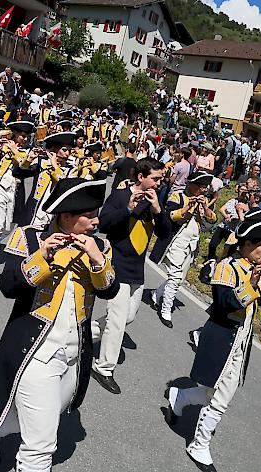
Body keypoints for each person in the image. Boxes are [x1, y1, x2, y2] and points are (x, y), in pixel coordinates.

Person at [0, 177, 119, 469]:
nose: (96, 221)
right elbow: (7, 285)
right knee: (42, 447)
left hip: (73, 354)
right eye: (90, 215)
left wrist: (95, 258)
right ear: (67, 217)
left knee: (35, 418)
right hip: (35, 353)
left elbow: (109, 290)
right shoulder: (29, 238)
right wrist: (42, 257)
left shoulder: (100, 246)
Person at [165, 212, 261, 471]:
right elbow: (224, 304)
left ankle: (181, 398)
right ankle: (199, 444)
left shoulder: (256, 270)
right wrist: (250, 285)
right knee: (218, 396)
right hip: (222, 335)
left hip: (241, 340)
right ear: (248, 245)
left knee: (215, 393)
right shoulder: (226, 266)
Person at [91, 158, 170, 394]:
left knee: (127, 317)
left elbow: (165, 234)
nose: (158, 183)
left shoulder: (155, 199)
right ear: (140, 177)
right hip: (118, 264)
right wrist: (128, 209)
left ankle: (81, 334)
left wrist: (158, 211)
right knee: (116, 321)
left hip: (137, 268)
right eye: (155, 179)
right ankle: (104, 368)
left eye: (160, 179)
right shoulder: (119, 195)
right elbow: (103, 224)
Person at [150, 172, 216, 328]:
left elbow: (212, 219)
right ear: (191, 185)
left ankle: (156, 294)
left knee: (179, 278)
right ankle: (165, 309)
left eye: (205, 187)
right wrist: (189, 206)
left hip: (192, 245)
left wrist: (205, 207)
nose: (203, 190)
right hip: (176, 242)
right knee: (175, 275)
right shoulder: (177, 197)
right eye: (200, 186)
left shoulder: (204, 200)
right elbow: (172, 216)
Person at [0, 121, 34, 272]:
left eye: (27, 137)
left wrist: (16, 151)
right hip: (0, 188)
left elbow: (24, 166)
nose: (24, 139)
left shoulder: (28, 152)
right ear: (15, 134)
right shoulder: (5, 145)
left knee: (10, 226)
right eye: (22, 136)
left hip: (16, 190)